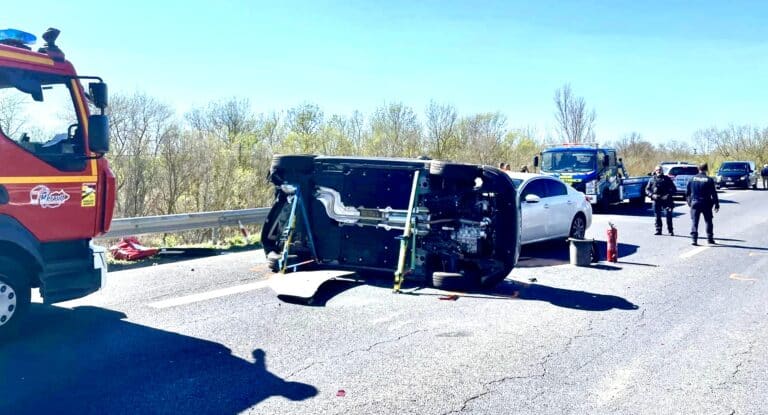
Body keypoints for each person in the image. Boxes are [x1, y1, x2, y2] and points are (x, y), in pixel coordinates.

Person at [686, 163, 719, 246]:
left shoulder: (692, 179)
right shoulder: (709, 180)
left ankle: (694, 239)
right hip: (706, 203)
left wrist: (689, 202)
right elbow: (714, 193)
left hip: (695, 203)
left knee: (694, 222)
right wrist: (716, 204)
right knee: (708, 221)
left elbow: (687, 193)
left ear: (698, 169)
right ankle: (710, 239)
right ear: (706, 169)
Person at [645, 165, 676, 235]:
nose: (658, 171)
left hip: (666, 200)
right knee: (657, 216)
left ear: (662, 171)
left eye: (660, 170)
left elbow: (674, 189)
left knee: (668, 215)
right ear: (655, 171)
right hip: (656, 200)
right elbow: (647, 190)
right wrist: (652, 195)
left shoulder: (667, 179)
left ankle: (670, 231)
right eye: (657, 170)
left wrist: (667, 195)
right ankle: (658, 230)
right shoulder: (652, 179)